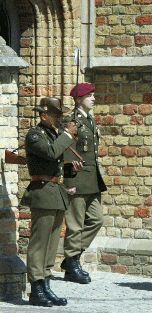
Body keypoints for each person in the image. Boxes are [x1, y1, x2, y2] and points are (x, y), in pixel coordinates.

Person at [21, 97, 79, 306]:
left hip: (55, 191)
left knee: (52, 242)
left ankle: (45, 283)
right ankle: (36, 288)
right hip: (42, 191)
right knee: (39, 243)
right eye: (55, 115)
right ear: (44, 115)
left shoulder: (53, 134)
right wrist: (67, 135)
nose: (58, 119)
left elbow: (58, 161)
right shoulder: (35, 134)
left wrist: (71, 167)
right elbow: (51, 152)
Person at [61, 83, 107, 284]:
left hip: (92, 178)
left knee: (97, 219)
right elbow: (65, 152)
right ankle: (72, 263)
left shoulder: (89, 119)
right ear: (79, 99)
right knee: (75, 224)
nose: (94, 98)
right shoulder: (72, 121)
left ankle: (71, 259)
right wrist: (69, 181)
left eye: (93, 95)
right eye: (90, 96)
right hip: (77, 179)